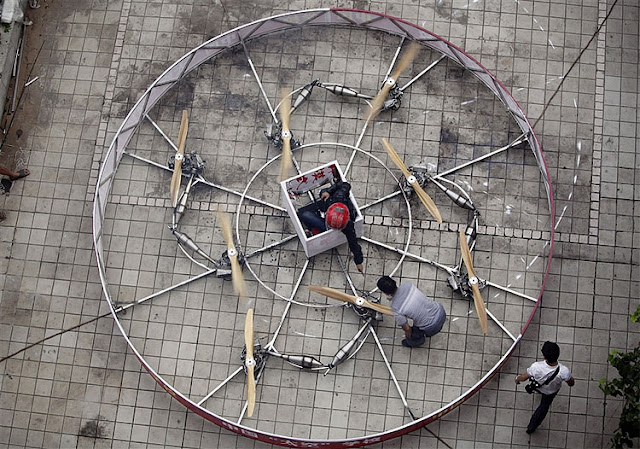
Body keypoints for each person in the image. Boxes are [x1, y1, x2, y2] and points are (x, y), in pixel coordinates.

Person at [298, 180, 364, 273]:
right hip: (329, 200)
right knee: (322, 192)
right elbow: (345, 184)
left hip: (329, 203)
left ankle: (314, 228)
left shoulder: (348, 225)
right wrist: (328, 191)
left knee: (305, 215)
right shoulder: (338, 196)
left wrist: (358, 261)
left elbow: (354, 244)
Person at [515, 341, 575, 434]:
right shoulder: (564, 371)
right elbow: (571, 383)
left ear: (544, 356)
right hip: (551, 392)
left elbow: (523, 377)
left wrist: (517, 379)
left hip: (538, 387)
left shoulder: (536, 367)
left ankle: (531, 427)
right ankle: (532, 426)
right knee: (543, 408)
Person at [377, 276, 446, 348]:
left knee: (414, 335)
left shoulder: (396, 308)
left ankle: (414, 342)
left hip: (431, 327)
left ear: (386, 293)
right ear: (394, 281)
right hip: (440, 311)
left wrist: (409, 336)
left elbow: (407, 328)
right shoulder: (408, 285)